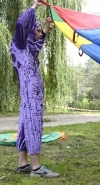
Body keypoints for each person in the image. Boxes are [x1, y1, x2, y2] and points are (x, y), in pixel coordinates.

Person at [9, 0, 59, 178]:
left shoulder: (28, 49)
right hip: (31, 93)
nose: (39, 34)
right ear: (29, 31)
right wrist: (35, 7)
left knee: (24, 124)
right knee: (33, 124)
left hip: (29, 93)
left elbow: (37, 44)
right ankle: (37, 168)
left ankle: (23, 164)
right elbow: (21, 24)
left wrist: (45, 29)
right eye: (37, 30)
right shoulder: (20, 44)